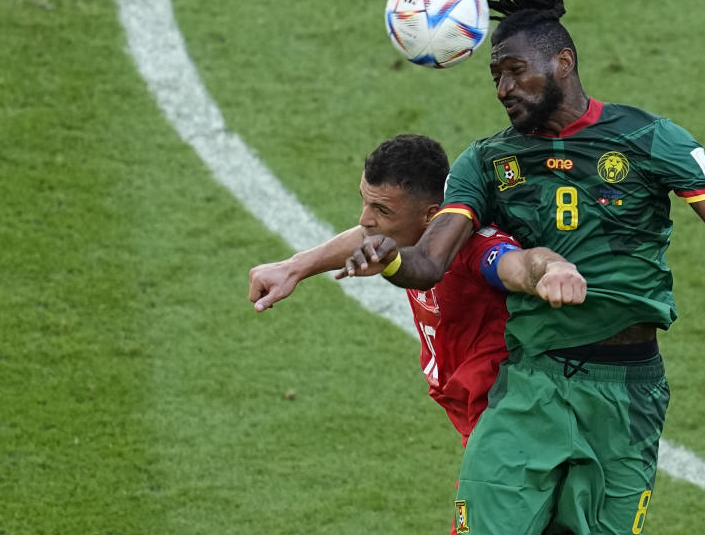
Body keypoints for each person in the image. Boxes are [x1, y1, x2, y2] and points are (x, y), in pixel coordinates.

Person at [340, 0, 705, 535]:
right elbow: (430, 261)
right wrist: (385, 256)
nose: (504, 87)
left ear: (563, 62)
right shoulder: (487, 161)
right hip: (529, 385)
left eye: (515, 71)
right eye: (494, 76)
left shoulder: (649, 139)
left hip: (627, 393)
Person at [249, 134, 586, 447]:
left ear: (432, 216)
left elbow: (515, 265)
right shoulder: (406, 232)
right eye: (365, 202)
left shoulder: (472, 246)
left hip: (513, 421)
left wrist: (551, 269)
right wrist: (293, 267)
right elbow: (366, 236)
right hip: (481, 413)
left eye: (381, 210)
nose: (365, 219)